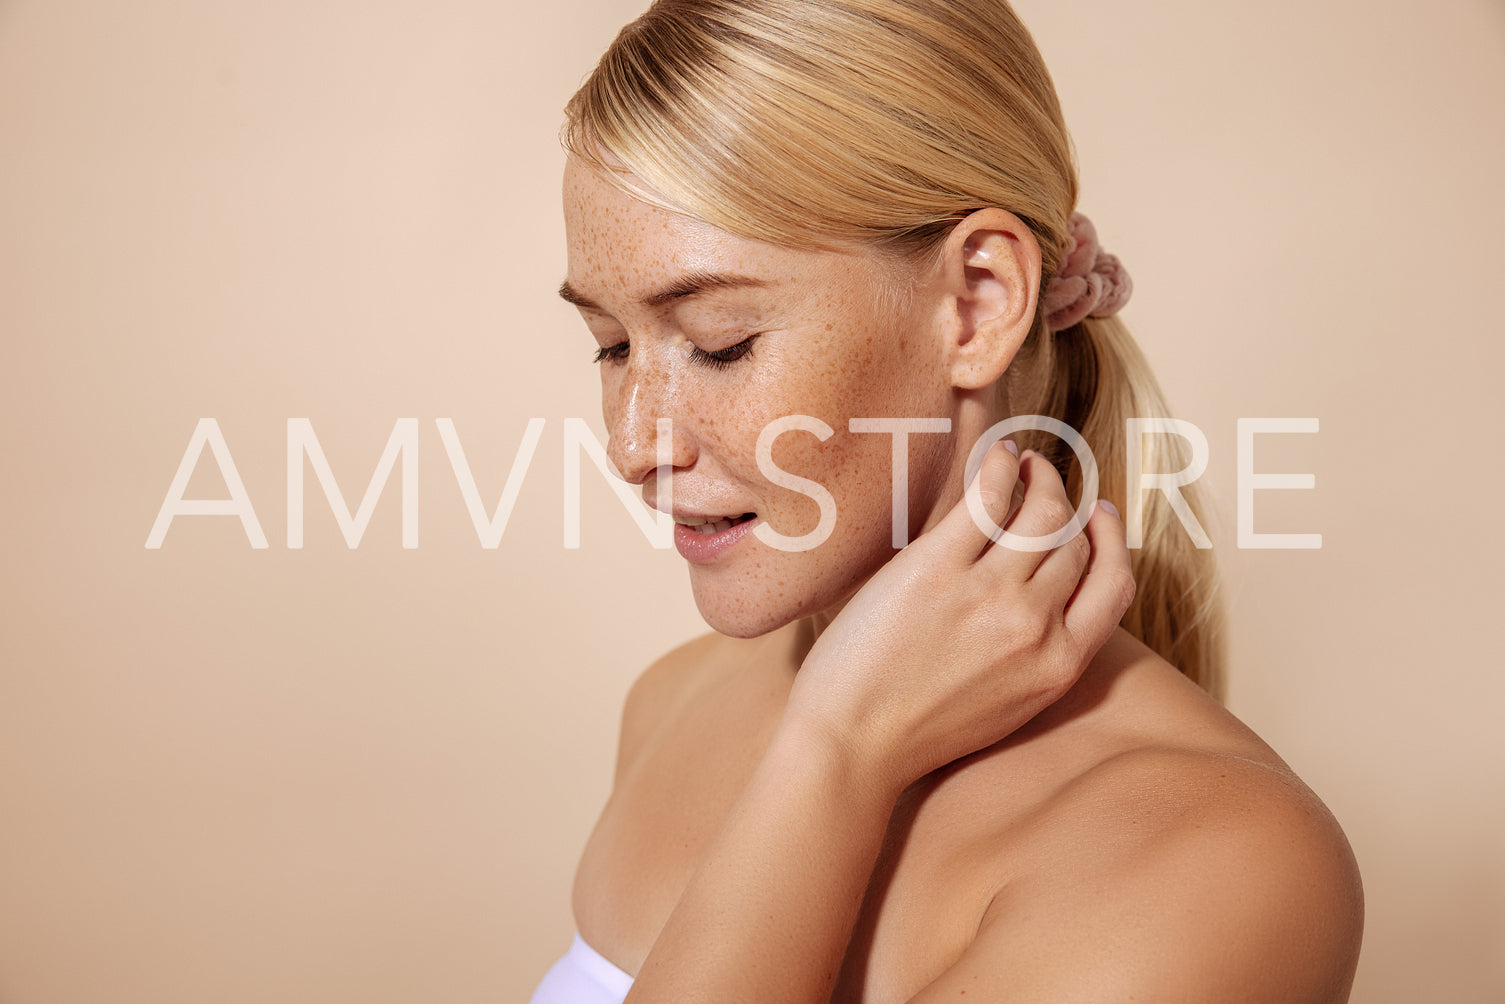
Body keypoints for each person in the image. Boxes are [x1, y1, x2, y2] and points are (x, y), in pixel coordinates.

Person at [531, 0, 1364, 1000]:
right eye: (611, 346)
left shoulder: (1218, 866)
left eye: (717, 342)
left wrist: (836, 750)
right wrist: (831, 744)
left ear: (975, 302)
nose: (632, 443)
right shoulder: (671, 704)